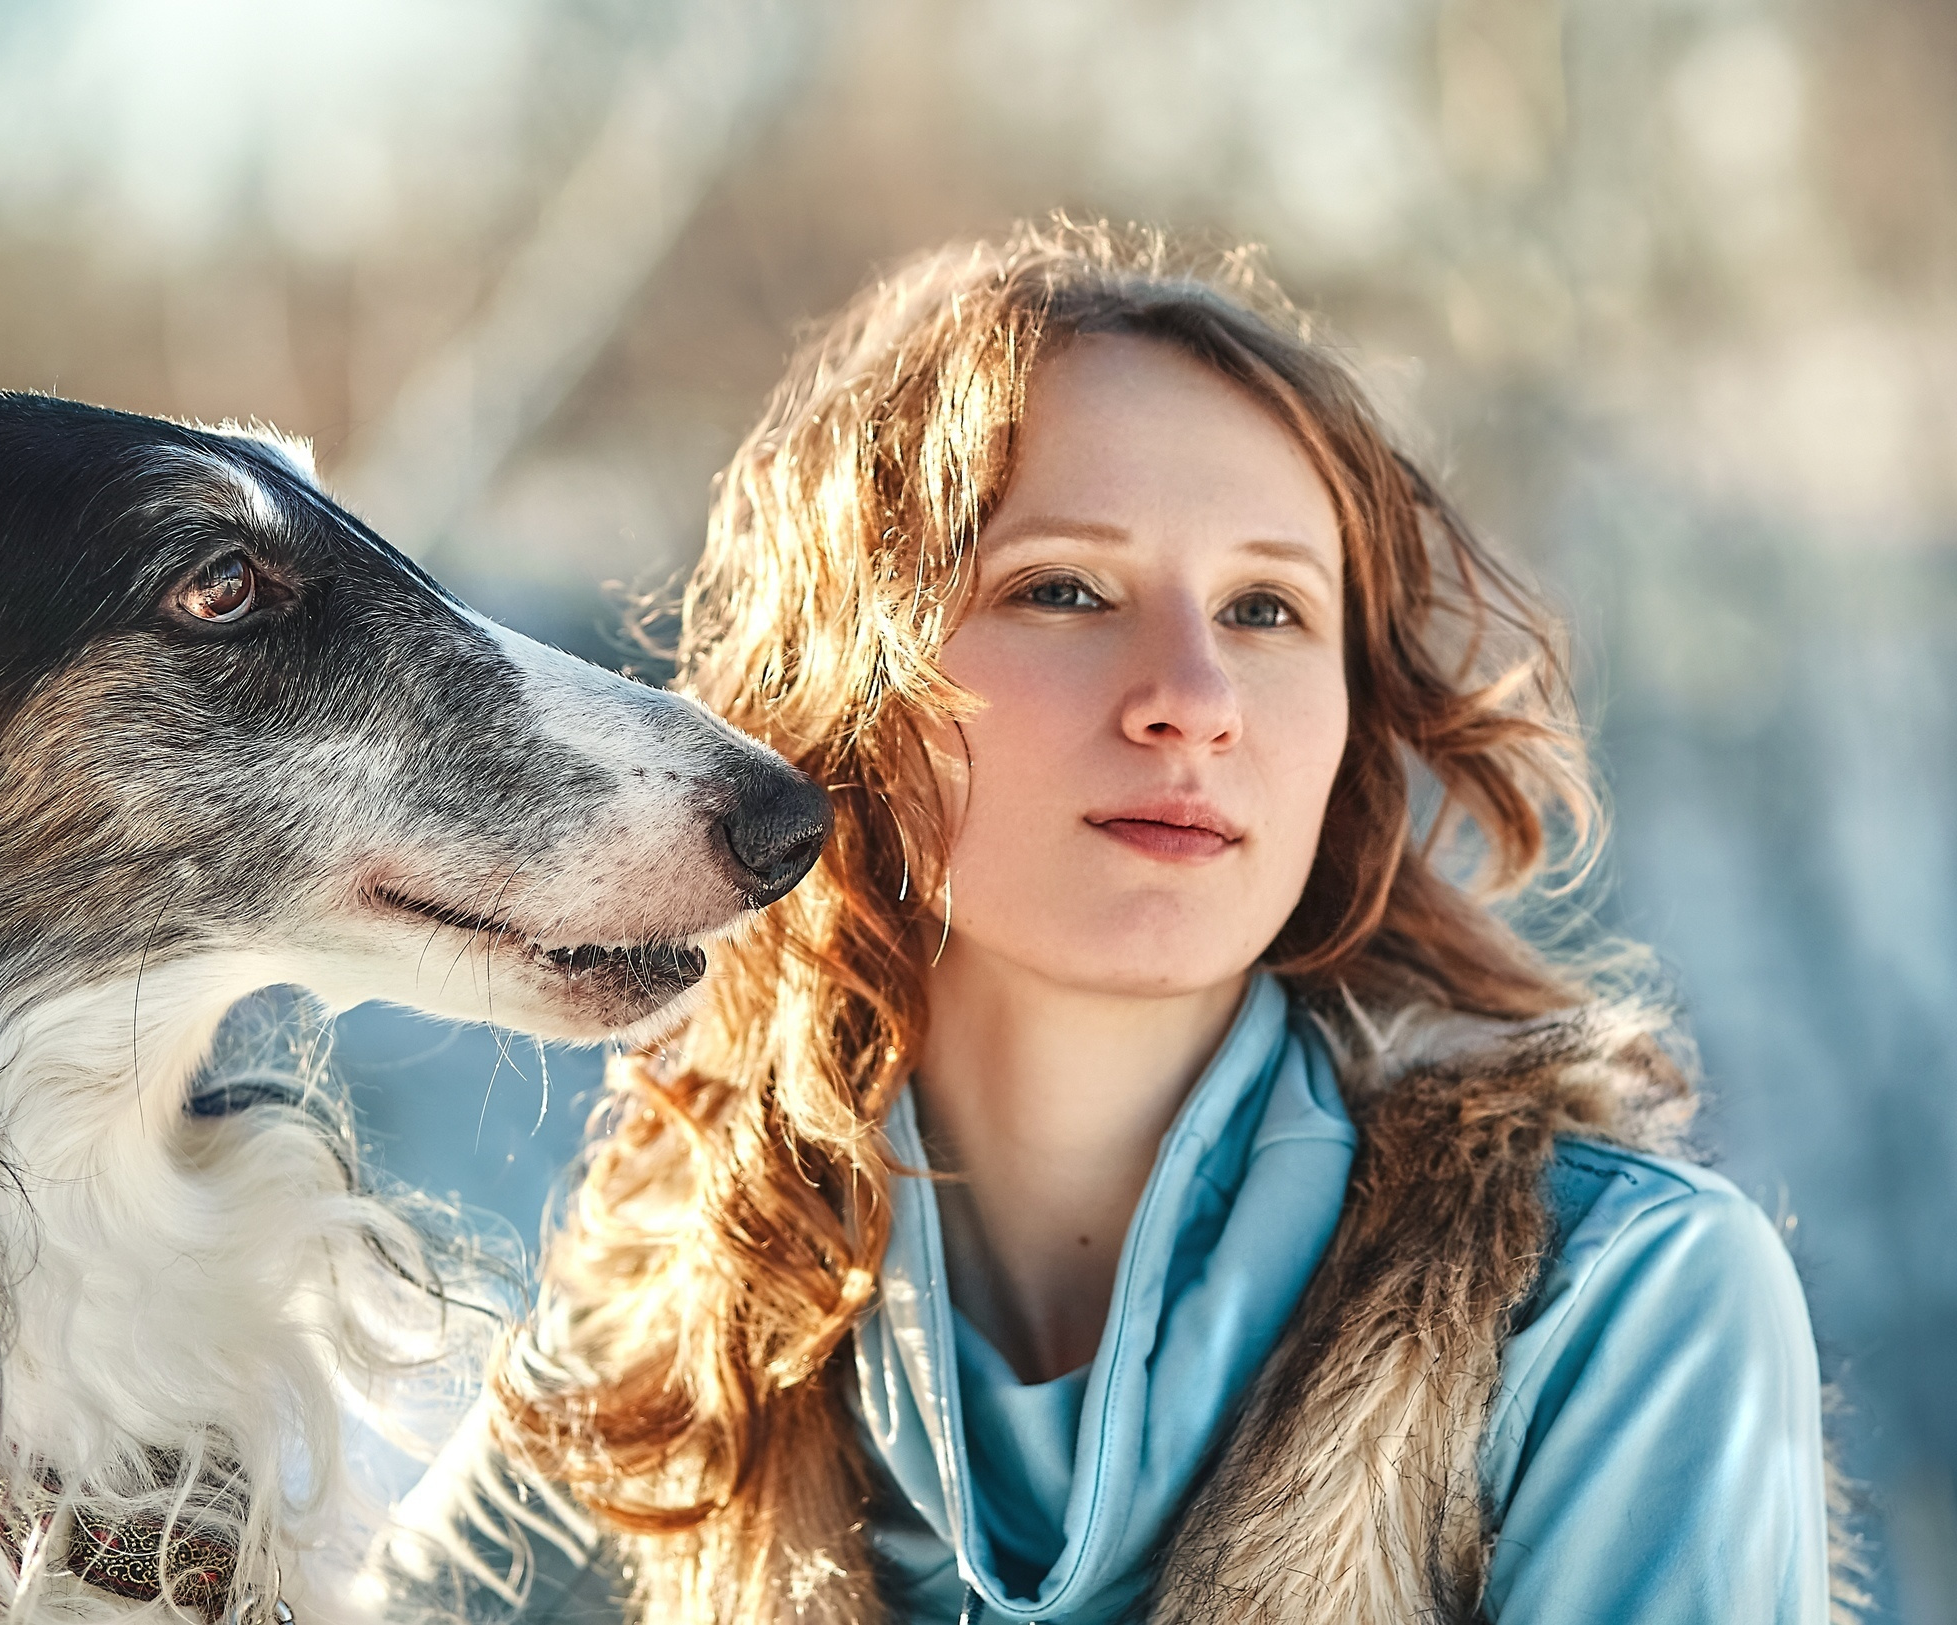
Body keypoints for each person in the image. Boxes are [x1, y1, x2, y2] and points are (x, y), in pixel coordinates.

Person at [365, 222, 1844, 1625]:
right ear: (858, 698)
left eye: (1267, 610)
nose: (1192, 697)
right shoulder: (686, 1303)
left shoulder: (1610, 1302)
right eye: (1065, 589)